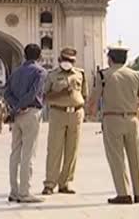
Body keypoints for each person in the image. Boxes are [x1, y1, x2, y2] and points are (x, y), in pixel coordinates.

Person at [88, 46, 139, 205]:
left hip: (112, 119)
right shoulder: (136, 74)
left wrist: (92, 112)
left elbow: (94, 98)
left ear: (110, 59)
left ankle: (123, 193)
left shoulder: (104, 75)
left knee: (117, 157)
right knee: (135, 157)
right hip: (132, 119)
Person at [3, 43, 47, 204]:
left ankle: (14, 191)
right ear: (39, 56)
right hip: (30, 113)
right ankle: (24, 192)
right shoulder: (40, 72)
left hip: (17, 116)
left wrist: (15, 108)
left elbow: (6, 92)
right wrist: (21, 106)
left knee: (15, 152)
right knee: (28, 153)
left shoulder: (16, 72)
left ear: (24, 55)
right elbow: (34, 93)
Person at [42, 47, 88, 195]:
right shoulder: (51, 75)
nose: (68, 63)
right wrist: (60, 93)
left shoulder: (80, 74)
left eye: (71, 60)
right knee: (54, 150)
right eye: (65, 60)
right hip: (58, 113)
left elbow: (84, 94)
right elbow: (45, 97)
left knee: (72, 150)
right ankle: (50, 184)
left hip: (76, 114)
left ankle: (65, 183)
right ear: (59, 60)